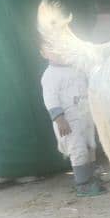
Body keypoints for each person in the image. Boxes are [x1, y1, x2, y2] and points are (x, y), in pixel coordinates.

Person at [40, 50, 106, 196]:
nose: (60, 53)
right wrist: (59, 119)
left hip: (85, 116)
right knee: (78, 149)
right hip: (69, 121)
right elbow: (50, 98)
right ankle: (83, 184)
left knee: (90, 147)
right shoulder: (50, 75)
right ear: (44, 54)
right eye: (53, 51)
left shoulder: (77, 68)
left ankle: (92, 178)